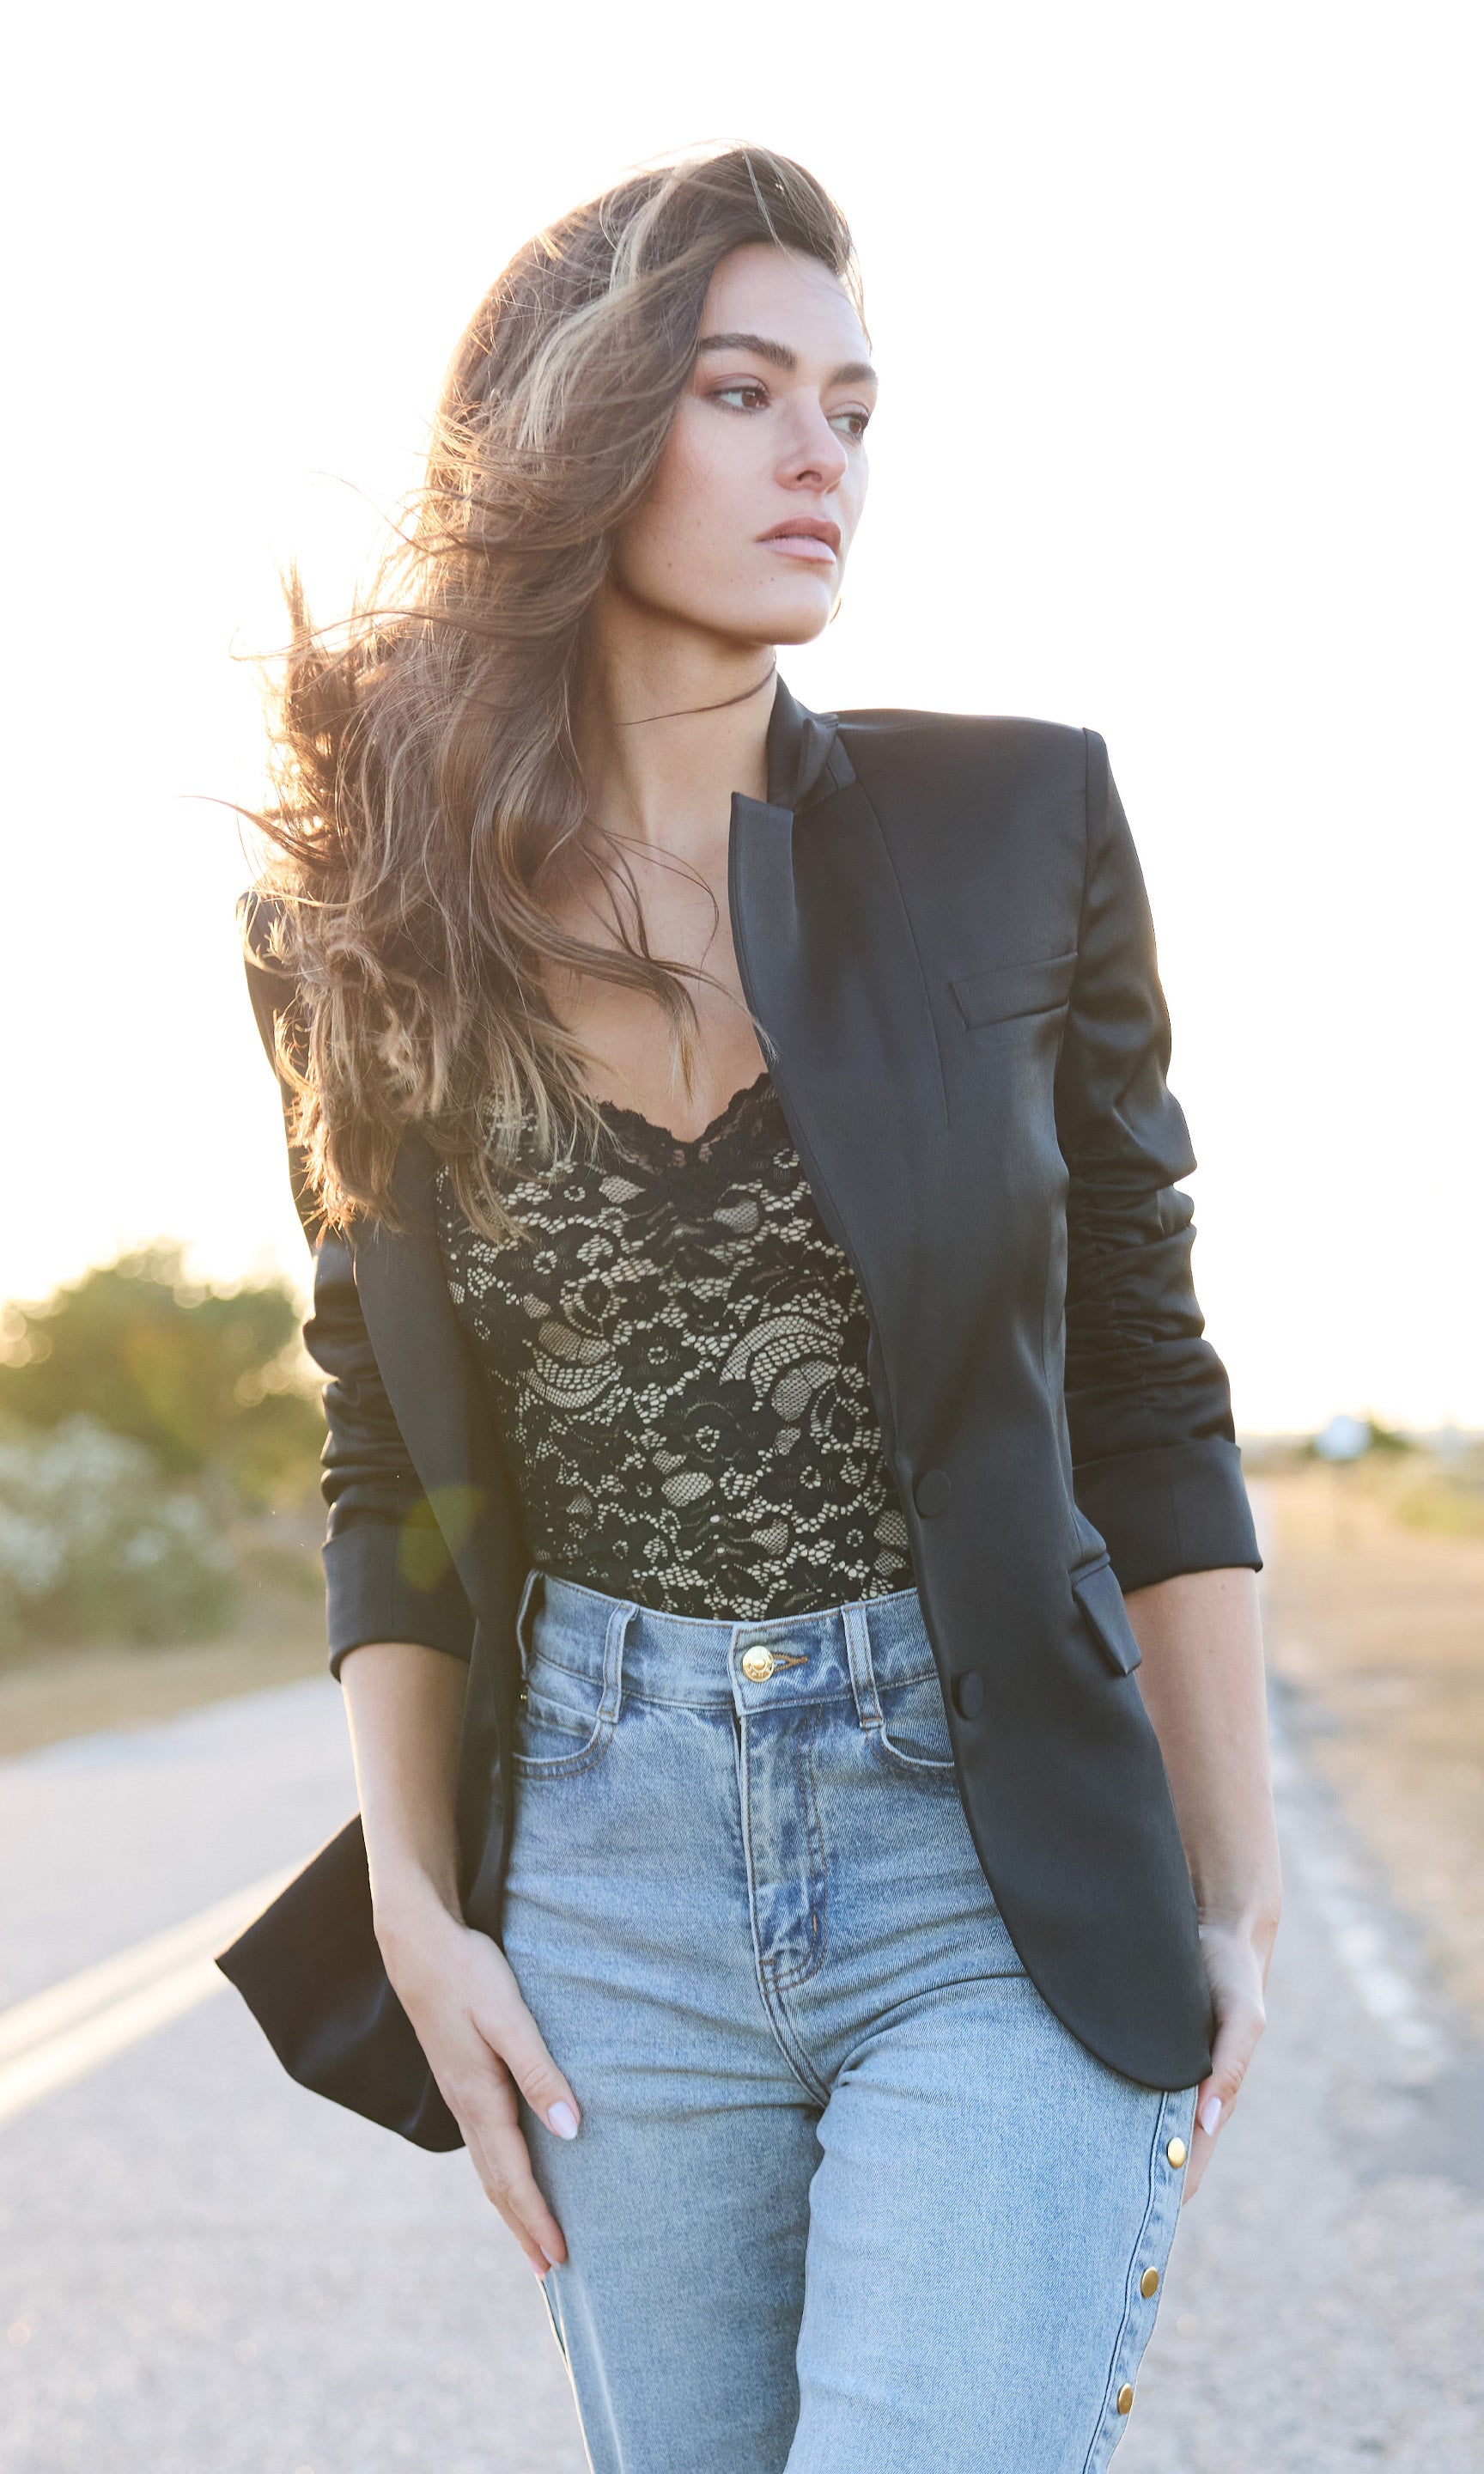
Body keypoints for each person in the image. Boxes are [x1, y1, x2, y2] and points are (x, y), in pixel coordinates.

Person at [240, 145, 1280, 2474]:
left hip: (984, 1837)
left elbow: (1143, 1367)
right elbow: (383, 1460)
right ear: (580, 430)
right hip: (603, 1863)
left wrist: (1245, 1885)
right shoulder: (362, 921)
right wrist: (421, 1911)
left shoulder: (1022, 824)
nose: (826, 455)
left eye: (855, 403)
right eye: (747, 391)